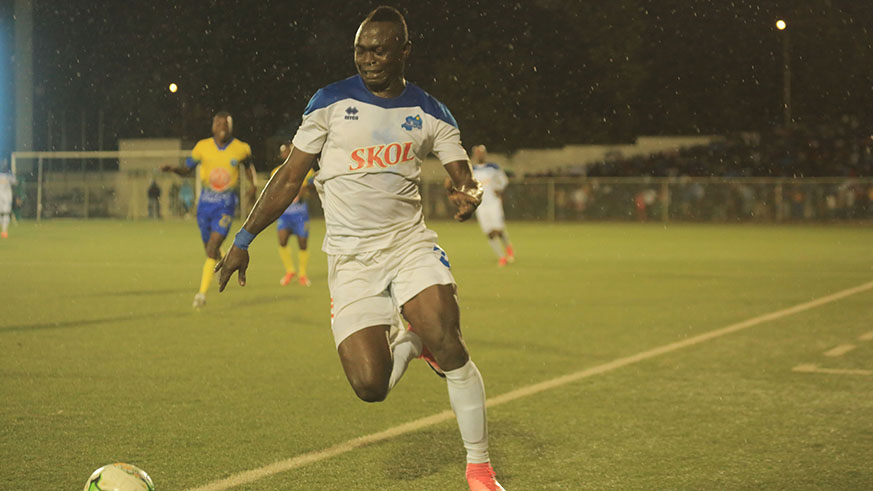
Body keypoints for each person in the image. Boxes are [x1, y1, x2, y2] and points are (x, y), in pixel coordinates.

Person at [215, 7, 504, 490]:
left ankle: (480, 469)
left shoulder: (431, 112)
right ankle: (413, 341)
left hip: (409, 245)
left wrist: (467, 197)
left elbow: (464, 180)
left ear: (404, 52)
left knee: (451, 345)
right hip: (350, 258)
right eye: (360, 50)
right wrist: (243, 239)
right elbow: (289, 178)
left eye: (379, 49)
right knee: (371, 386)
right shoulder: (328, 102)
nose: (367, 59)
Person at [162, 111, 255, 309]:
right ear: (213, 126)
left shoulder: (241, 148)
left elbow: (248, 168)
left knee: (212, 247)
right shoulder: (202, 147)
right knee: (210, 250)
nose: (221, 125)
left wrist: (253, 187)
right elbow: (187, 169)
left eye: (225, 123)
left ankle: (201, 295)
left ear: (231, 126)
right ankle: (226, 258)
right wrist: (173, 169)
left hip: (225, 206)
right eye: (218, 122)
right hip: (204, 207)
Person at [272, 141, 317, 287]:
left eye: (288, 150)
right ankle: (290, 270)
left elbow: (314, 185)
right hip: (285, 214)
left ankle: (302, 275)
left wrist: (306, 188)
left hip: (300, 214)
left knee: (302, 243)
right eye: (283, 151)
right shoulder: (276, 172)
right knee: (282, 240)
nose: (286, 154)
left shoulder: (305, 170)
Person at [470, 145, 515, 266]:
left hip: (494, 203)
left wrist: (499, 189)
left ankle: (509, 249)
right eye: (477, 153)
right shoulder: (472, 170)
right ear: (474, 155)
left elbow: (504, 180)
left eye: (481, 153)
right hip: (481, 205)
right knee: (489, 232)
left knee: (499, 230)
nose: (479, 155)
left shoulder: (493, 168)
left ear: (485, 154)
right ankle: (502, 257)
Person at [0, 159, 16, 239]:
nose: (3, 164)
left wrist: (9, 177)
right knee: (1, 213)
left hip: (7, 196)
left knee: (6, 213)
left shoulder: (9, 173)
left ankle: (4, 231)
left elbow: (14, 182)